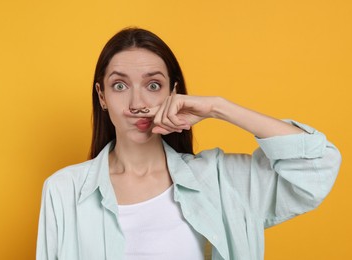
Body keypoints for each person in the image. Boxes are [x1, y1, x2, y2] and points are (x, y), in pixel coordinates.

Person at [36, 28, 341, 260]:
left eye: (153, 85)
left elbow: (316, 166)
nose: (138, 103)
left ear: (174, 92)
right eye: (120, 85)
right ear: (102, 96)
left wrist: (218, 108)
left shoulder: (222, 181)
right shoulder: (63, 191)